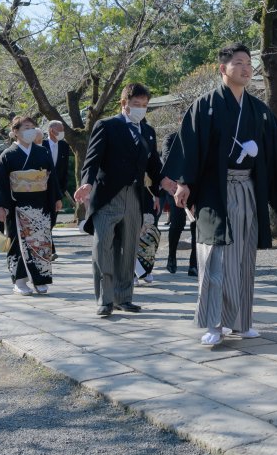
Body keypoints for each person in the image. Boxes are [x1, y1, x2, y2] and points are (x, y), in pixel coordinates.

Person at [162, 43, 277, 346]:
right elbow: (189, 146)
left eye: (249, 63)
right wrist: (184, 183)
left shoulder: (258, 109)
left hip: (248, 189)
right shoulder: (205, 105)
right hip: (215, 191)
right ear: (222, 68)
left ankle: (241, 321)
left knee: (242, 257)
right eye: (239, 62)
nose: (246, 68)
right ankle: (214, 322)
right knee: (215, 255)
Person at [75, 83, 162, 317]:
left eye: (145, 106)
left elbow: (154, 166)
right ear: (124, 103)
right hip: (107, 197)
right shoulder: (107, 126)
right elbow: (92, 160)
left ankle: (124, 297)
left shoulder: (148, 131)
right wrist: (87, 183)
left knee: (129, 248)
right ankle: (105, 299)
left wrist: (164, 185)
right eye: (136, 105)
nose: (141, 109)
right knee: (102, 245)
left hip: (134, 196)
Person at [0, 116, 60, 295]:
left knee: (41, 242)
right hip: (17, 205)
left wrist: (56, 198)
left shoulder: (42, 152)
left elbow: (51, 177)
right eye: (26, 127)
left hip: (41, 204)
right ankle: (20, 280)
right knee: (17, 242)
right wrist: (0, 206)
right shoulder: (7, 155)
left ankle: (40, 279)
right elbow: (0, 182)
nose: (30, 130)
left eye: (32, 127)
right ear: (15, 132)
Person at [160, 132, 197, 277]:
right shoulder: (171, 137)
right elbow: (168, 159)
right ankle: (171, 256)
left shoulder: (198, 137)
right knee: (177, 222)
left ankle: (194, 263)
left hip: (196, 186)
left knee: (197, 225)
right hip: (175, 185)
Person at [43, 121, 70, 259]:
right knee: (44, 219)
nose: (63, 132)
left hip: (57, 190)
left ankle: (49, 247)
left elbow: (65, 170)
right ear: (52, 130)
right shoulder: (41, 144)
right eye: (61, 129)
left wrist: (62, 190)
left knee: (52, 220)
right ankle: (50, 249)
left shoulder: (64, 146)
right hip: (41, 189)